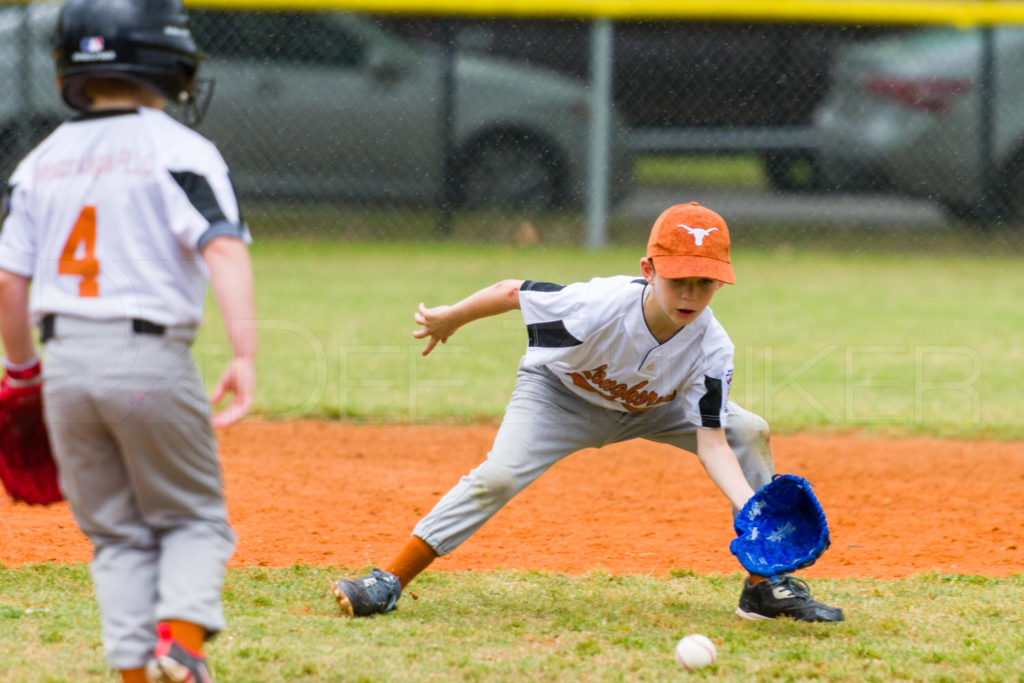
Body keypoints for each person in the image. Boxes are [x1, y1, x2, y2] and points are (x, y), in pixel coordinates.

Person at [331, 202, 842, 623]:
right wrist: (452, 318)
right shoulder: (597, 307)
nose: (690, 295)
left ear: (722, 284)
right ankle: (390, 579)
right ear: (649, 270)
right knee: (499, 476)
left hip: (654, 409)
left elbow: (712, 441)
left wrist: (749, 509)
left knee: (747, 430)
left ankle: (762, 588)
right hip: (560, 396)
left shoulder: (712, 346)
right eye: (678, 279)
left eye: (704, 283)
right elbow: (513, 291)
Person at [0, 0, 256, 681]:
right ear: (165, 60)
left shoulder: (39, 160)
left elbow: (10, 279)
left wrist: (22, 370)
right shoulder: (180, 148)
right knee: (195, 518)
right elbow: (223, 250)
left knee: (115, 536)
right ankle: (182, 643)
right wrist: (244, 352)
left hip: (63, 367)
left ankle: (136, 671)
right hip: (145, 358)